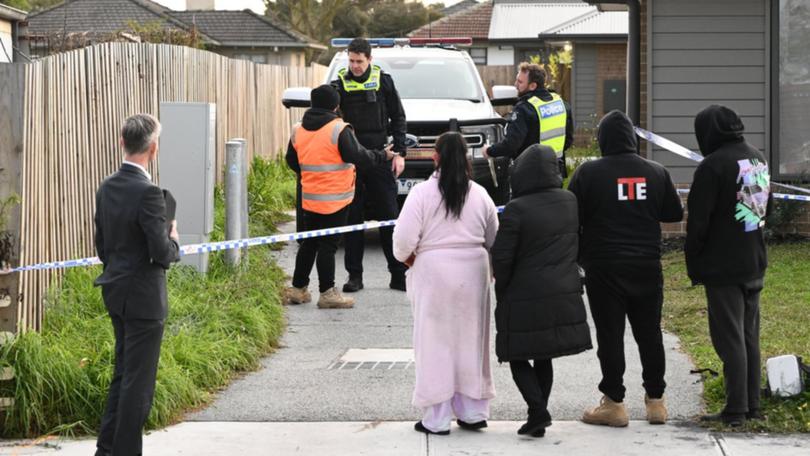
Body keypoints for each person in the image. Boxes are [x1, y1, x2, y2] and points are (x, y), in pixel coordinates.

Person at [568, 110, 684, 427]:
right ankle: (656, 402)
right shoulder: (656, 172)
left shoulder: (587, 174)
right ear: (632, 139)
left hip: (603, 265)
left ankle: (614, 403)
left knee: (610, 335)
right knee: (649, 333)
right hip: (646, 263)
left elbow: (571, 215)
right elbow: (673, 213)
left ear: (602, 140)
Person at [392, 132, 499, 435]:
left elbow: (402, 242)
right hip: (474, 272)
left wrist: (413, 260)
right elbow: (494, 238)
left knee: (434, 343)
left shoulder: (422, 194)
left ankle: (436, 418)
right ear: (466, 157)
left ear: (435, 157)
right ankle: (473, 411)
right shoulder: (480, 194)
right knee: (472, 342)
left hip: (434, 273)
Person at [93, 114, 180, 456]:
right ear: (153, 149)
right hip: (144, 298)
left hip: (115, 290)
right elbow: (161, 253)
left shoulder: (106, 187)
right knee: (138, 384)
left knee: (123, 374)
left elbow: (102, 246)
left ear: (121, 142)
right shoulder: (150, 194)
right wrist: (174, 240)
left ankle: (107, 449)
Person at [491, 144, 592, 438]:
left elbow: (502, 255)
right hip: (563, 289)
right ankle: (538, 415)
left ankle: (538, 411)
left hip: (524, 293)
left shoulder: (516, 209)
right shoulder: (569, 201)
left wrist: (503, 290)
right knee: (543, 354)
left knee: (517, 353)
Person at [686, 105, 772, 427]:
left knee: (729, 338)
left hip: (723, 266)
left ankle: (735, 410)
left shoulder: (712, 166)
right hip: (754, 259)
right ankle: (752, 404)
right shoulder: (757, 157)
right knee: (749, 335)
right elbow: (767, 208)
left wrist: (694, 260)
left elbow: (698, 222)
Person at [285, 84, 396, 309]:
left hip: (310, 196)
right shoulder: (338, 129)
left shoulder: (298, 129)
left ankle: (298, 289)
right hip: (335, 198)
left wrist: (308, 174)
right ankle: (327, 293)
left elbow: (291, 159)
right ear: (335, 106)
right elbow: (359, 156)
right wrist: (383, 155)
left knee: (309, 243)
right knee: (328, 245)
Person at [332, 37, 408, 293]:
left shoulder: (383, 81)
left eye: (359, 61)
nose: (354, 66)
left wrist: (399, 153)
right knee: (353, 220)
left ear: (369, 60)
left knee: (389, 217)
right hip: (351, 161)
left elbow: (398, 117)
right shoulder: (338, 84)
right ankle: (355, 276)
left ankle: (398, 274)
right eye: (351, 60)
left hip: (379, 157)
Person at [482, 62, 574, 176]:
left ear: (532, 86)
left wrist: (489, 151)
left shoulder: (524, 109)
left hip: (530, 174)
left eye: (520, 82)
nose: (515, 85)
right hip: (555, 171)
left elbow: (511, 145)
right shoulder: (562, 104)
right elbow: (568, 140)